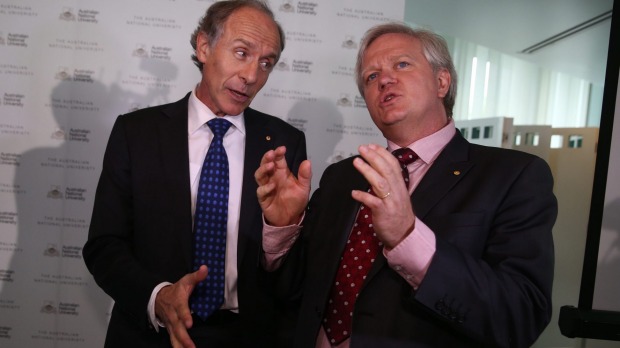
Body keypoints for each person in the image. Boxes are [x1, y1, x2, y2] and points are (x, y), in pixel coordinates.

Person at [255, 22, 557, 348]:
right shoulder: (343, 176)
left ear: (442, 82)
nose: (384, 79)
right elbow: (295, 292)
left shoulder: (514, 175)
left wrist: (408, 238)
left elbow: (520, 316)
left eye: (401, 64)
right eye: (371, 77)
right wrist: (283, 227)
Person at [83, 1, 307, 347]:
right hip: (149, 335)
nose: (252, 76)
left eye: (266, 63)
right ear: (204, 47)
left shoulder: (283, 145)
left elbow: (294, 283)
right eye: (242, 52)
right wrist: (157, 297)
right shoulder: (137, 133)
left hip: (246, 337)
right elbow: (104, 246)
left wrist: (280, 231)